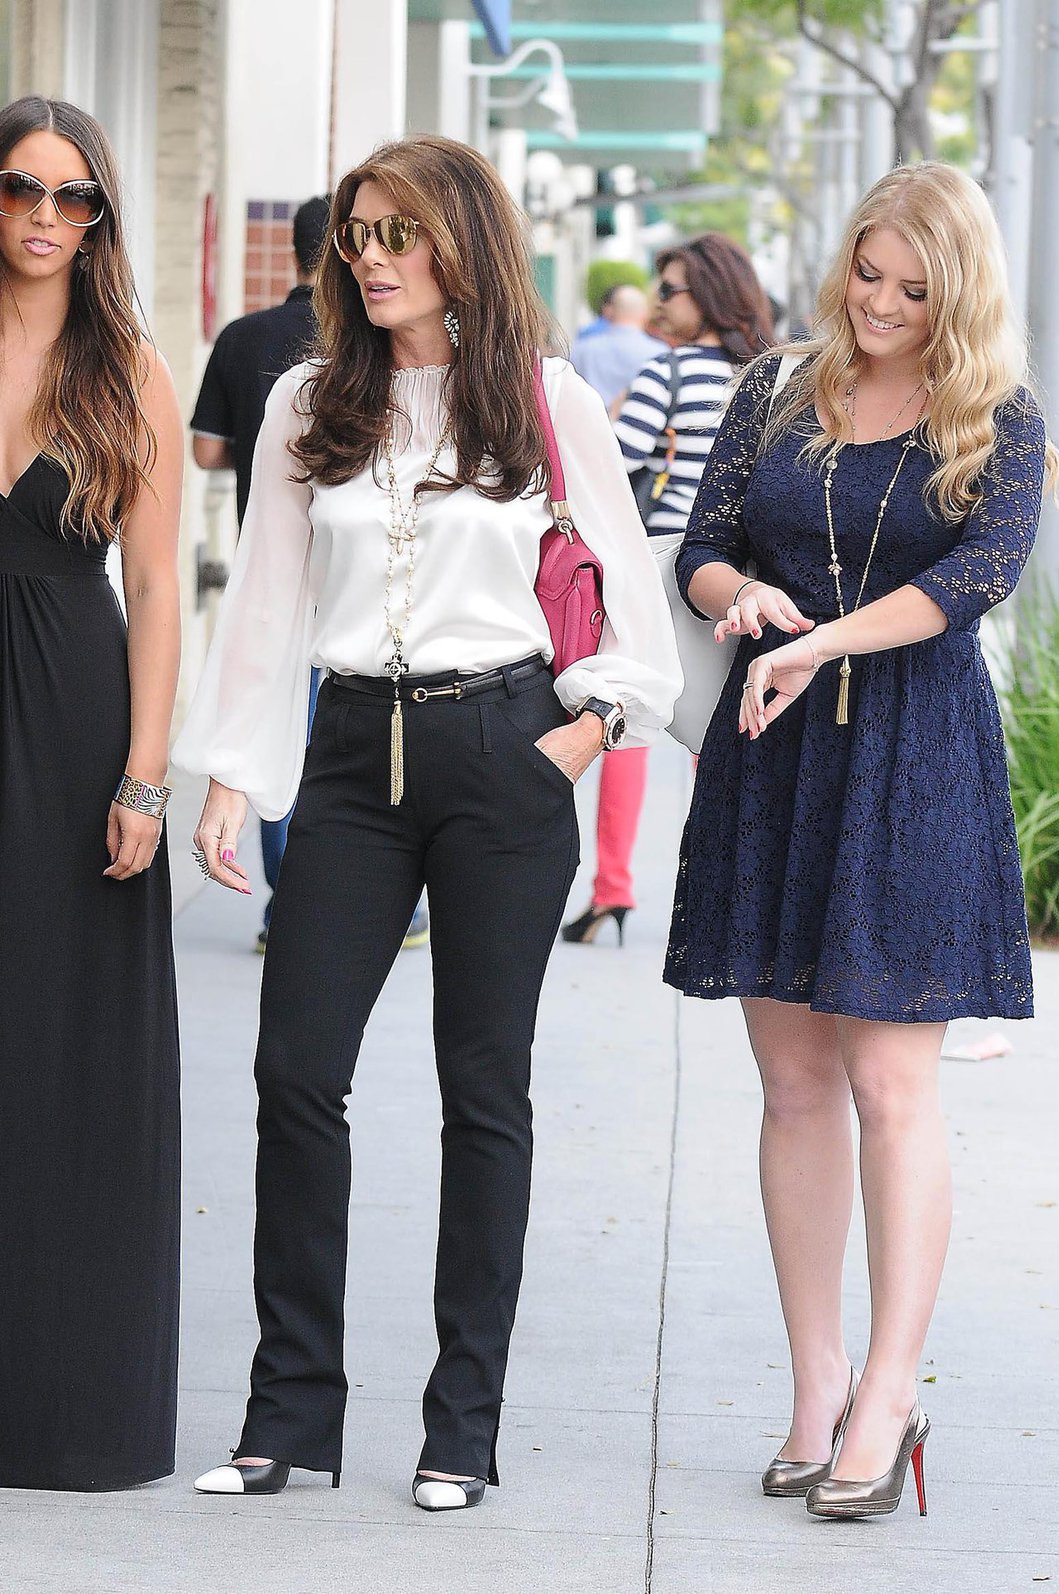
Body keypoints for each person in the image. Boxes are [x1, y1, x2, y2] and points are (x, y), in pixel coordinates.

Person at [172, 134, 680, 1510]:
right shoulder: (303, 402)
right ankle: (292, 1413)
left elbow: (638, 616)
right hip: (349, 759)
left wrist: (569, 743)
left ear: (463, 243)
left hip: (500, 752)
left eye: (401, 232)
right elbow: (272, 604)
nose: (375, 257)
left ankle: (463, 1421)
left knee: (483, 1090)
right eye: (358, 234)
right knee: (294, 1071)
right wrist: (234, 771)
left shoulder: (545, 397)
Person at [665, 163, 1057, 1519]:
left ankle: (891, 1395)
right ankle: (816, 1380)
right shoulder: (773, 385)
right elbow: (698, 547)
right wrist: (743, 594)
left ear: (960, 292)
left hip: (915, 762)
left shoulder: (998, 417)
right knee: (789, 1082)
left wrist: (826, 634)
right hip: (777, 759)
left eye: (912, 286)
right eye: (867, 272)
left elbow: (977, 577)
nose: (879, 302)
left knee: (892, 1086)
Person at [0, 95, 183, 1490]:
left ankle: (64, 1407)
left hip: (73, 720)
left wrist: (145, 774)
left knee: (64, 1054)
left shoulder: (130, 375)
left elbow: (161, 590)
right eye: (21, 190)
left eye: (75, 199)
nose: (46, 219)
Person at [190, 197, 430, 953]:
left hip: (277, 572)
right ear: (342, 251)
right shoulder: (375, 347)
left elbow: (204, 452)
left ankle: (283, 906)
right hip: (370, 586)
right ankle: (381, 901)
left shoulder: (242, 336)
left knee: (283, 731)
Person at [563, 234, 773, 947]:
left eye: (670, 290)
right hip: (747, 581)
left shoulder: (670, 372)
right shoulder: (774, 378)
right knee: (725, 734)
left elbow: (610, 461)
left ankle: (613, 887)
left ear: (708, 293)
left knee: (632, 719)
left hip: (671, 568)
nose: (658, 304)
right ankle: (728, 896)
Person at [569, 282, 664, 411]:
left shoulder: (581, 350)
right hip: (640, 425)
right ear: (645, 313)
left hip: (591, 424)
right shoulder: (660, 353)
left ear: (608, 311)